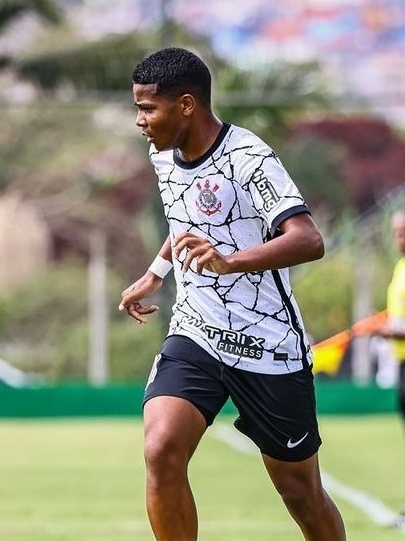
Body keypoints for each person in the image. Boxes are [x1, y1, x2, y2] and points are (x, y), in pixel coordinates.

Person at [120, 47, 346, 541]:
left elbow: (309, 240)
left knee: (300, 492)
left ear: (185, 105)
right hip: (197, 331)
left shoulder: (248, 157)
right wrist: (157, 272)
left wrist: (231, 260)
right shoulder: (162, 150)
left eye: (147, 108)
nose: (139, 120)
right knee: (161, 448)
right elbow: (187, 216)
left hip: (267, 345)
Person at [373, 210, 405, 528]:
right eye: (397, 233)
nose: (400, 239)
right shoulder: (400, 267)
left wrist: (392, 331)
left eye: (404, 233)